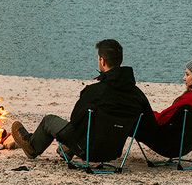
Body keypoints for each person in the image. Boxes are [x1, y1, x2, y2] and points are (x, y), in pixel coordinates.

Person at [11, 39, 154, 160]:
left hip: (86, 150)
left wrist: (70, 141)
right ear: (121, 61)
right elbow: (148, 123)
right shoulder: (137, 95)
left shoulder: (93, 92)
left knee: (49, 120)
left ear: (102, 61)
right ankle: (67, 149)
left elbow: (75, 121)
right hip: (113, 151)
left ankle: (31, 146)